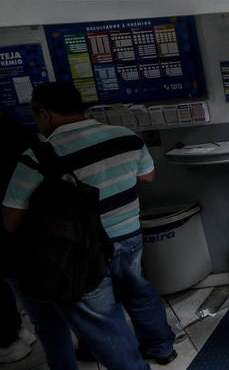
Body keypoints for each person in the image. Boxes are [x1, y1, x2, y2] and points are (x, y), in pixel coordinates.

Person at [2, 82, 175, 370]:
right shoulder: (126, 137)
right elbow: (147, 176)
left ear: (44, 114)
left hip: (80, 250)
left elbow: (10, 220)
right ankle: (161, 346)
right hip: (129, 234)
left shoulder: (38, 156)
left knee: (104, 320)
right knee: (138, 289)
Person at [0, 113, 38, 364]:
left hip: (8, 224)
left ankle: (10, 339)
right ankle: (20, 331)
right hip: (31, 221)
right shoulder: (10, 125)